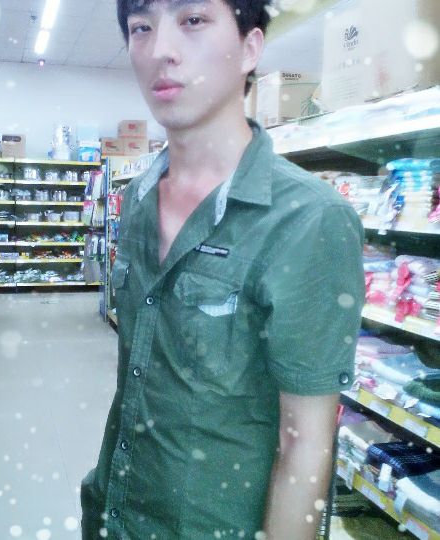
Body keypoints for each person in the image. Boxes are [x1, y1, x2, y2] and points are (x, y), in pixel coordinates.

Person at [81, 0, 365, 538]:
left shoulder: (309, 220)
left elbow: (305, 445)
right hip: (117, 512)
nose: (160, 49)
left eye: (192, 20)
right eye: (140, 27)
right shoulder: (138, 200)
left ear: (250, 47)